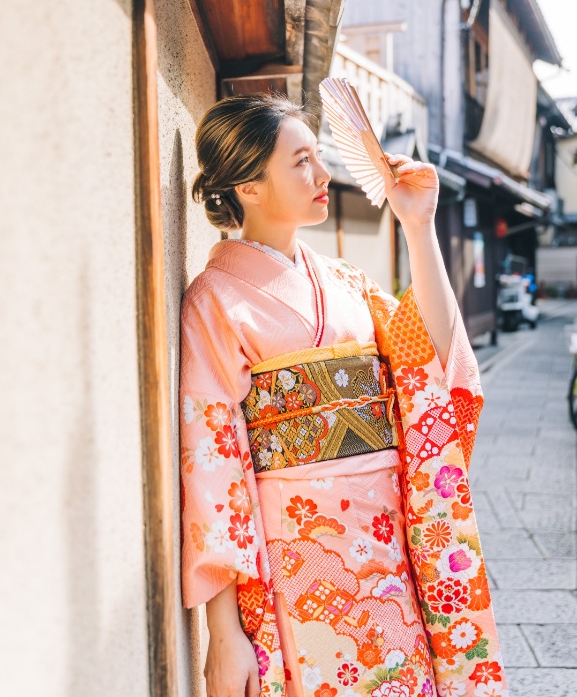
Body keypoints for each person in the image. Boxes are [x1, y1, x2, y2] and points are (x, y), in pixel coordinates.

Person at [179, 93, 506, 697]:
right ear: (249, 185)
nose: (323, 174)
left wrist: (418, 224)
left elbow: (429, 364)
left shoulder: (347, 281)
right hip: (299, 556)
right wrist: (222, 633)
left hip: (387, 544)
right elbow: (212, 466)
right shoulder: (216, 300)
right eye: (301, 161)